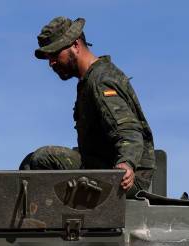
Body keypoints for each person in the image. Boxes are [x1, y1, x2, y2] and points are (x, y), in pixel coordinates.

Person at [21, 16, 156, 197]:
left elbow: (128, 129)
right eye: (48, 57)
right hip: (102, 166)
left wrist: (126, 163)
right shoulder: (89, 80)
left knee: (43, 158)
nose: (51, 62)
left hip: (123, 178)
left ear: (76, 45)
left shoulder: (101, 81)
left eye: (55, 54)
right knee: (32, 161)